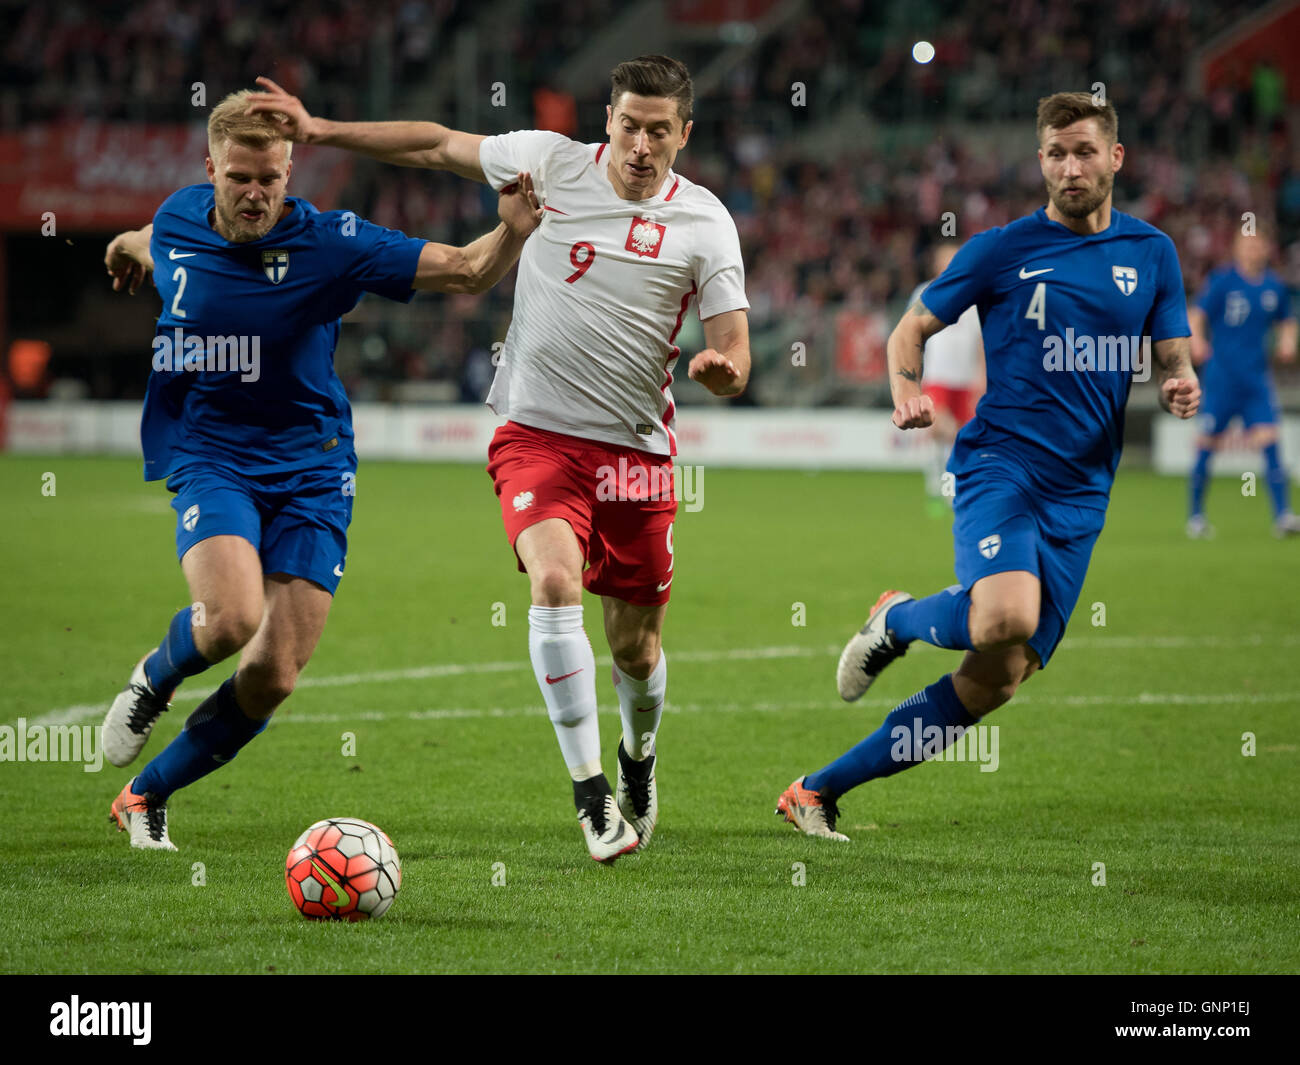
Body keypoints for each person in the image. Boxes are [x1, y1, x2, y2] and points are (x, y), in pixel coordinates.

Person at [248, 55, 752, 862]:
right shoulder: (551, 163)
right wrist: (319, 129)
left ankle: (637, 757)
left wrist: (723, 372)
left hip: (636, 458)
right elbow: (437, 145)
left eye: (661, 131)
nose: (641, 145)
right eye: (629, 125)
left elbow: (735, 349)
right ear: (609, 121)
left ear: (683, 135)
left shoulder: (706, 222)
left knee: (637, 649)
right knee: (553, 580)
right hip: (537, 436)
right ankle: (592, 796)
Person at [101, 89, 542, 850]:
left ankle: (145, 795)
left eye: (270, 178)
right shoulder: (177, 219)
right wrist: (121, 248)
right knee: (232, 618)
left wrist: (512, 232)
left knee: (274, 672)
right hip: (213, 455)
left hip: (313, 466)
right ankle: (154, 679)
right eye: (239, 177)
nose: (255, 194)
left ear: (290, 170)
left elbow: (467, 271)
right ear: (210, 170)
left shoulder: (331, 244)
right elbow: (149, 239)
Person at [776, 92, 1201, 840]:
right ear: (1040, 160)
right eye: (1057, 153)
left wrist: (1178, 380)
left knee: (993, 680)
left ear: (1115, 158)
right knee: (1006, 614)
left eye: (1085, 151)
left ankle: (817, 789)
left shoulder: (1153, 253)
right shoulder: (1001, 249)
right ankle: (898, 619)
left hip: (1083, 494)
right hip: (1000, 466)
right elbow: (909, 328)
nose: (1071, 166)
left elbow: (1170, 352)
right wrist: (905, 389)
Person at [1186, 229, 1299, 539]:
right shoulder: (1223, 281)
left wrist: (1288, 341)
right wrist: (1196, 343)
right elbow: (1195, 314)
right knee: (1207, 445)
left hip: (1256, 382)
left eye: (1257, 245)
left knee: (1271, 442)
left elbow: (1287, 320)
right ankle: (1195, 517)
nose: (1252, 251)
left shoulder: (1274, 286)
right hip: (1222, 380)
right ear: (1237, 249)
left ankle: (1283, 516)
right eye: (1247, 245)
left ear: (1265, 249)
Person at [911, 241, 985, 512]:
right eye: (945, 260)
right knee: (939, 429)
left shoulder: (973, 297)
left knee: (961, 437)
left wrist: (982, 380)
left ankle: (951, 488)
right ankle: (935, 487)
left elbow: (980, 343)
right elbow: (912, 335)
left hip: (965, 379)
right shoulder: (925, 292)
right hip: (937, 375)